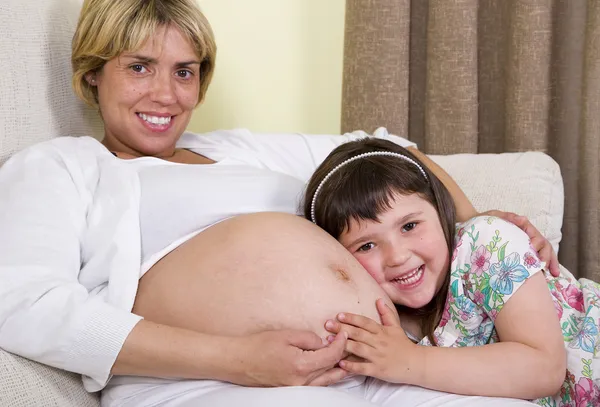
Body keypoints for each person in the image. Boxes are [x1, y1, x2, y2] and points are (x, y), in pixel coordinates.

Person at [0, 0, 558, 406]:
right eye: (139, 67)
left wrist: (476, 227)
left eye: (184, 72)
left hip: (393, 367)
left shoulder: (235, 150)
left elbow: (386, 148)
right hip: (218, 383)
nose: (166, 94)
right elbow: (21, 305)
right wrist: (237, 360)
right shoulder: (63, 166)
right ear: (93, 73)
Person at [304, 138, 600, 406]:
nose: (398, 256)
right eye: (366, 245)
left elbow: (544, 369)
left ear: (442, 212)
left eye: (410, 226)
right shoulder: (379, 321)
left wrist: (410, 361)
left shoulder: (486, 241)